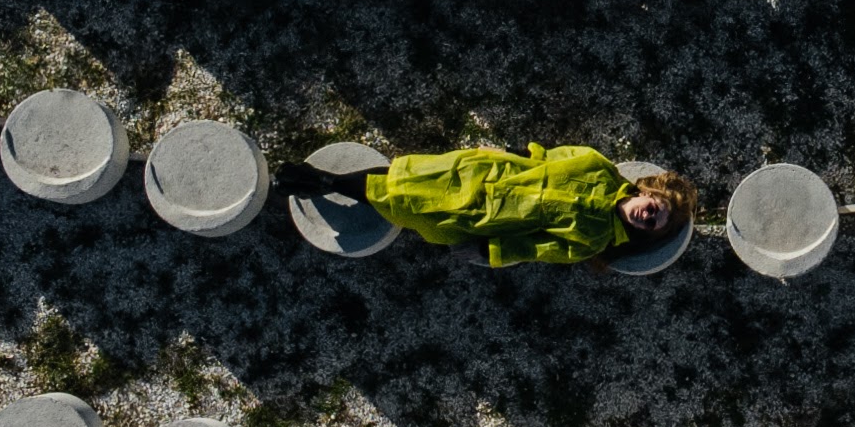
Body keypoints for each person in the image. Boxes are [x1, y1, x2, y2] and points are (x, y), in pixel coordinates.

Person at [274, 143, 696, 267]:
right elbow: (551, 155)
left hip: (484, 216)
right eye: (655, 205)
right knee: (404, 176)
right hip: (485, 173)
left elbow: (534, 248)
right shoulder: (599, 167)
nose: (649, 214)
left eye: (653, 223)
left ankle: (326, 182)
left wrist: (488, 251)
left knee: (403, 199)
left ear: (643, 232)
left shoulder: (592, 240)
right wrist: (514, 152)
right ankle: (326, 181)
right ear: (646, 191)